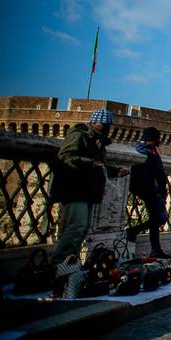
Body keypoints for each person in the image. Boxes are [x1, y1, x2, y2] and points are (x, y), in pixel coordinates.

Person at [49, 109, 128, 264]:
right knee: (76, 227)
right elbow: (65, 157)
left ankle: (70, 262)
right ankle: (58, 264)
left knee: (82, 229)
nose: (106, 128)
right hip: (74, 189)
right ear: (93, 123)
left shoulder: (98, 142)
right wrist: (90, 163)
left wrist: (116, 171)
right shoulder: (79, 135)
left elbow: (100, 166)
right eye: (103, 125)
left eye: (108, 126)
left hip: (89, 191)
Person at [126, 127, 171, 258]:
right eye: (158, 138)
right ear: (154, 138)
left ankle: (154, 248)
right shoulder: (143, 150)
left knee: (158, 218)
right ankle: (136, 233)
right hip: (149, 189)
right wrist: (155, 189)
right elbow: (146, 172)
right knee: (158, 218)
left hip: (155, 189)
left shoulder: (151, 150)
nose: (160, 140)